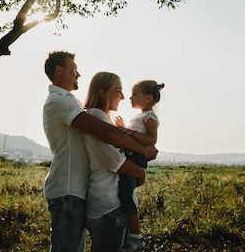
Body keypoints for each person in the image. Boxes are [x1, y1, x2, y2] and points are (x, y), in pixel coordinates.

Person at [42, 51, 158, 252]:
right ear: (59, 71)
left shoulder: (74, 102)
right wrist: (144, 150)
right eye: (74, 69)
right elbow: (105, 133)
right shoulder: (58, 101)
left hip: (79, 189)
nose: (78, 74)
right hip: (68, 188)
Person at [82, 72, 146, 252]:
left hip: (111, 202)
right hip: (107, 204)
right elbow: (113, 161)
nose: (123, 97)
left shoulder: (104, 117)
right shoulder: (96, 116)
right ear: (102, 92)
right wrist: (141, 173)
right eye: (118, 91)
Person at [115, 80, 164, 252]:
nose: (130, 97)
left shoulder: (149, 117)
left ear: (149, 97)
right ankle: (126, 228)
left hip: (136, 158)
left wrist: (132, 133)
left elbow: (151, 140)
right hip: (131, 155)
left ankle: (136, 236)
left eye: (135, 94)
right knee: (123, 190)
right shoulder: (139, 116)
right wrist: (123, 128)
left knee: (126, 193)